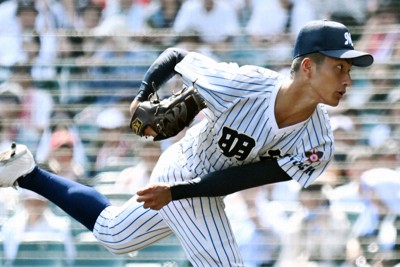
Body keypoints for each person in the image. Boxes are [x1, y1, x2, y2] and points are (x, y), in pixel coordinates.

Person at [0, 20, 373, 266]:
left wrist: (175, 193)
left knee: (114, 233)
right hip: (184, 167)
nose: (347, 79)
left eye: (349, 69)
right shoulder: (244, 84)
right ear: (307, 67)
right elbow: (177, 57)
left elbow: (242, 180)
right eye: (339, 67)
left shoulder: (319, 141)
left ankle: (27, 173)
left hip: (195, 187)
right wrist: (143, 94)